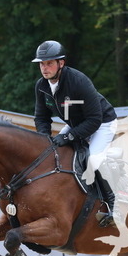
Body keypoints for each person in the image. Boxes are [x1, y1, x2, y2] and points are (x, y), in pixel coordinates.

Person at [32, 40, 117, 227]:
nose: (44, 68)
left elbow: (94, 119)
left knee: (93, 159)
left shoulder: (78, 81)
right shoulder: (41, 86)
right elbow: (41, 118)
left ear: (61, 63)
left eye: (49, 63)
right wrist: (45, 139)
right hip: (77, 123)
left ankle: (114, 206)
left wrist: (68, 136)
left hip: (103, 123)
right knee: (53, 153)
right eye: (42, 64)